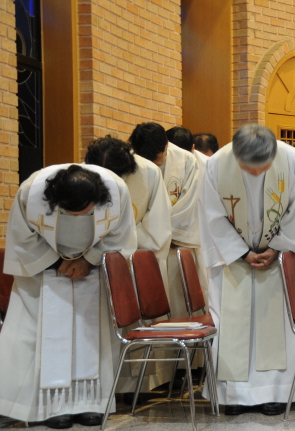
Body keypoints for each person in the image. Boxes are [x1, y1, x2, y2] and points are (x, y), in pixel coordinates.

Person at [0, 164, 136, 429]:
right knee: (41, 337)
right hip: (42, 273)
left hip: (93, 270)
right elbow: (21, 238)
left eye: (84, 212)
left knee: (89, 337)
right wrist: (58, 262)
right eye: (69, 212)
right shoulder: (31, 192)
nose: (76, 216)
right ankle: (49, 407)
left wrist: (88, 259)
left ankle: (90, 403)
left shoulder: (116, 191)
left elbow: (122, 233)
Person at [199, 124, 295, 415]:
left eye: (262, 168)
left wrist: (277, 247)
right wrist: (241, 252)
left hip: (277, 259)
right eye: (248, 169)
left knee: (276, 325)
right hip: (232, 261)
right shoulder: (217, 165)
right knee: (231, 325)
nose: (255, 174)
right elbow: (211, 215)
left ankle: (275, 393)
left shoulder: (290, 160)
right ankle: (234, 395)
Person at [84, 136, 173, 391]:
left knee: (132, 322)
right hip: (93, 260)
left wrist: (126, 241)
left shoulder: (149, 172)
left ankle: (136, 386)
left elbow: (158, 223)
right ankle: (100, 385)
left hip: (136, 258)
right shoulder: (84, 173)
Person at [129, 122, 203, 318]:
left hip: (175, 246)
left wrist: (161, 235)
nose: (155, 163)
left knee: (179, 306)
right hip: (141, 247)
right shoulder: (129, 162)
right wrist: (148, 237)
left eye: (158, 157)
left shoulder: (186, 160)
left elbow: (189, 204)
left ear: (166, 146)